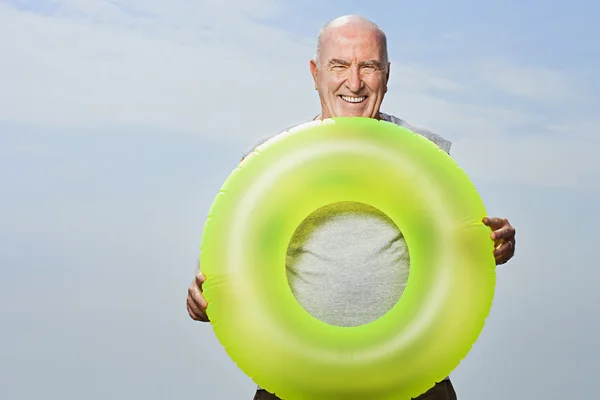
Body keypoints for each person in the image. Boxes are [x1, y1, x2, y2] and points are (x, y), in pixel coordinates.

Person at [187, 15, 516, 400]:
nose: (354, 82)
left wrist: (493, 244)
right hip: (295, 381)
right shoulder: (267, 160)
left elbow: (460, 254)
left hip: (412, 376)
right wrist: (204, 298)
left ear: (387, 75)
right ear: (315, 73)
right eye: (339, 65)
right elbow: (225, 267)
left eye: (369, 66)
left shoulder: (428, 154)